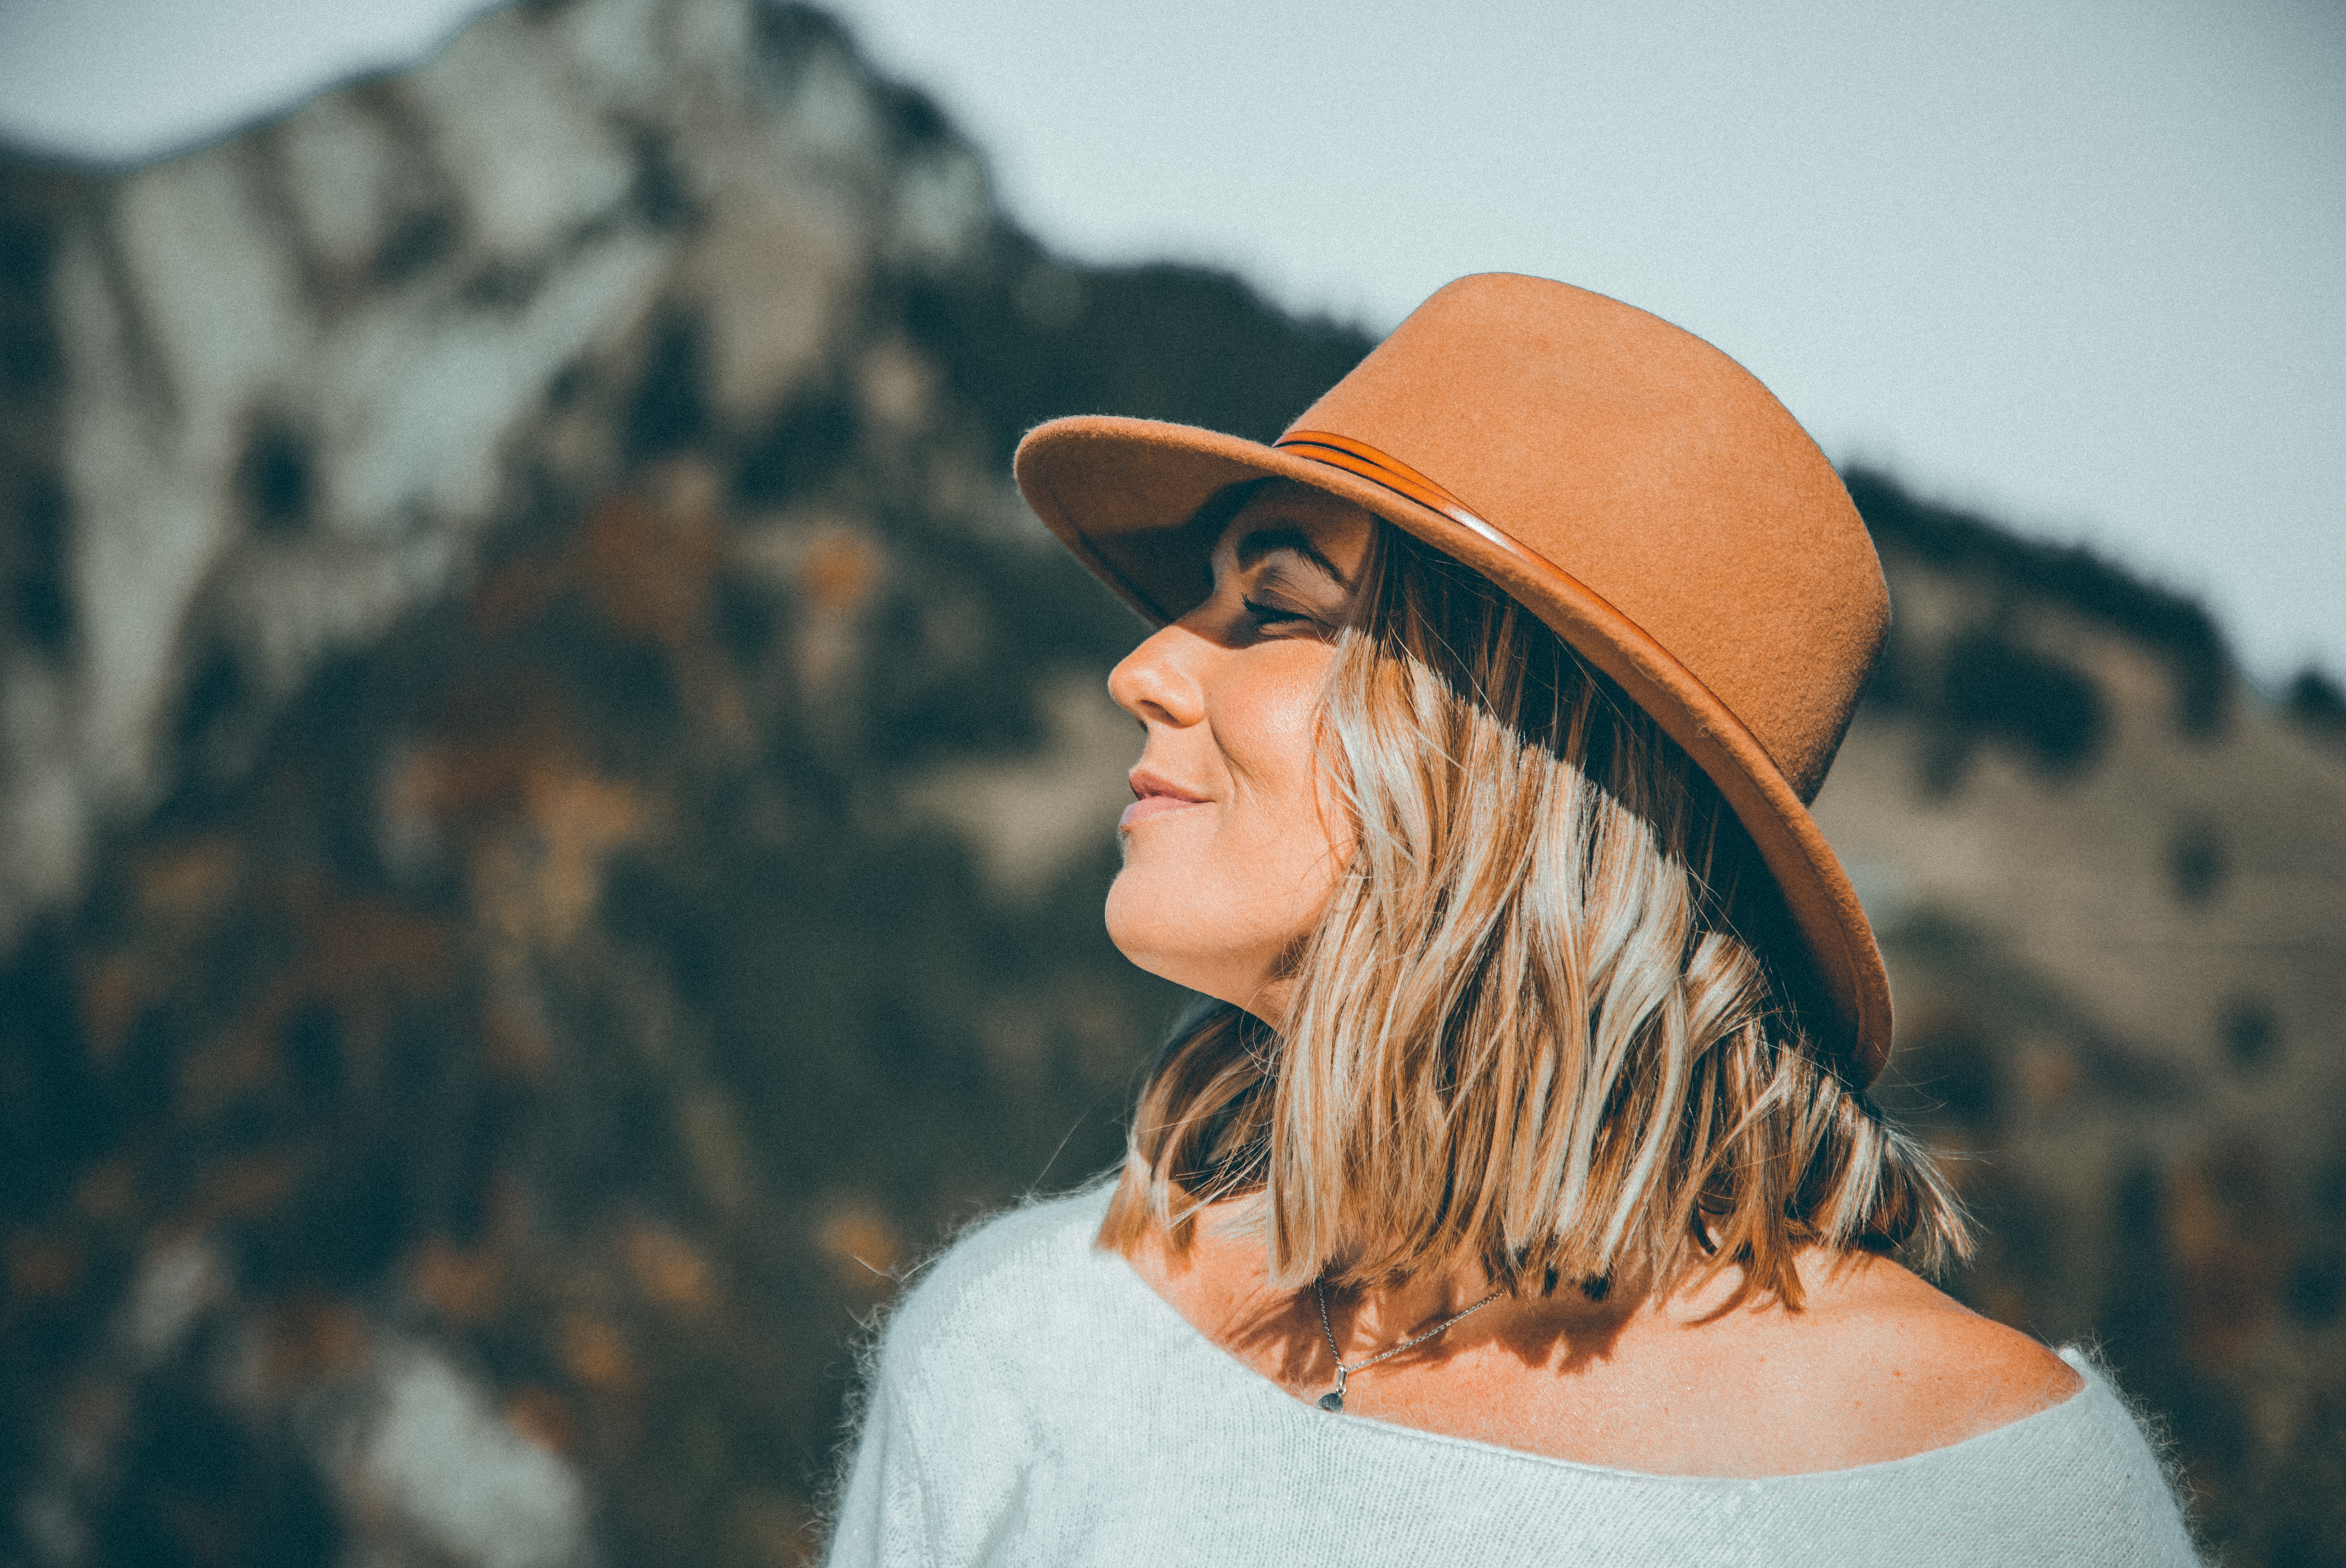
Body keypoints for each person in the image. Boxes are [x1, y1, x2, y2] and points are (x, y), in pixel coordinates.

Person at [825, 274, 2197, 1565]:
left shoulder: (1993, 1498)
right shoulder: (1023, 1350)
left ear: (1524, 752)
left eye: (1277, 599)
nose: (1142, 667)